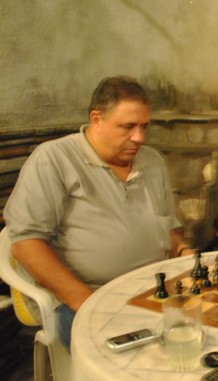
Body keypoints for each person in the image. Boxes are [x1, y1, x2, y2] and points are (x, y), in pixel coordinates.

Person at [4, 75, 194, 350]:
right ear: (97, 119)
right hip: (81, 298)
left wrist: (183, 251)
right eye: (128, 127)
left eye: (144, 126)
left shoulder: (153, 162)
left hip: (152, 291)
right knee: (146, 355)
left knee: (210, 330)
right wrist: (89, 303)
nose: (139, 138)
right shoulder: (53, 159)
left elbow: (168, 230)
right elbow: (26, 245)